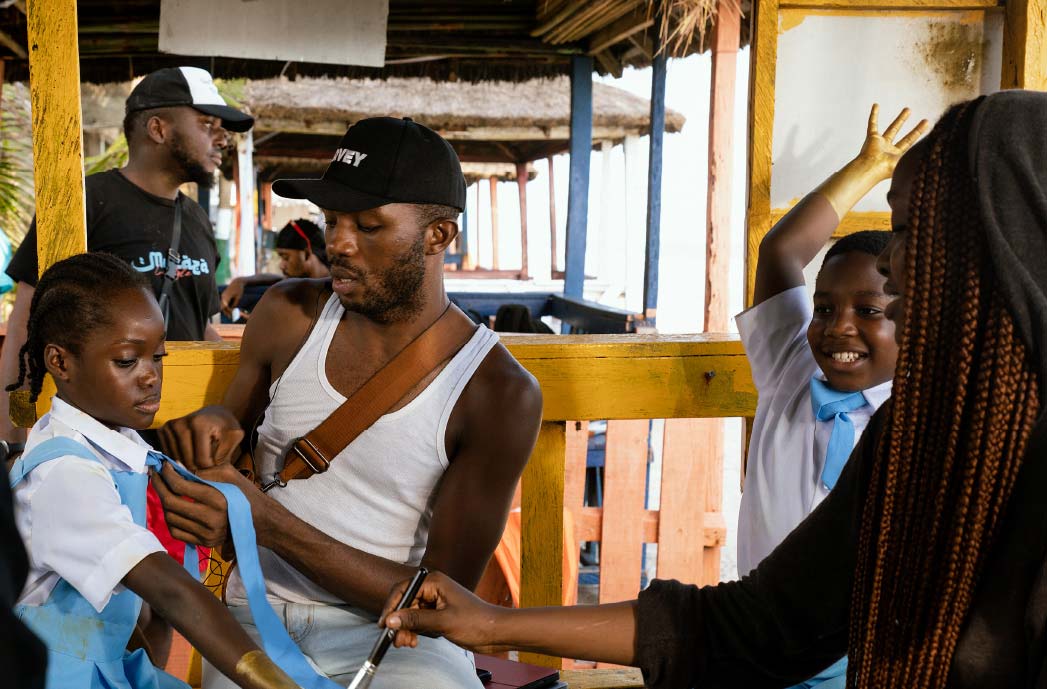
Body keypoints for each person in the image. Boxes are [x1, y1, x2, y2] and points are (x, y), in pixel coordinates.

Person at [377, 90, 1047, 689]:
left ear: (999, 250)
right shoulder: (911, 440)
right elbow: (752, 626)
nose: (890, 267)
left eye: (909, 230)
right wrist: (493, 623)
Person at [151, 117, 543, 689]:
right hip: (255, 617)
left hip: (400, 641)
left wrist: (268, 523)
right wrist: (216, 431)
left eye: (369, 225)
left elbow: (438, 600)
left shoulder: (494, 391)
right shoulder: (288, 316)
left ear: (439, 236)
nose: (338, 242)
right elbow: (232, 434)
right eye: (331, 220)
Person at [8, 253, 304, 689]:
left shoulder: (115, 445)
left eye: (158, 358)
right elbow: (169, 590)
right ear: (61, 363)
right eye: (128, 361)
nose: (151, 377)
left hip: (98, 662)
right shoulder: (66, 473)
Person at [736, 105, 926, 689]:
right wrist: (868, 169)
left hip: (868, 665)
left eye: (868, 311)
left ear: (912, 319)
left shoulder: (920, 414)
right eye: (823, 309)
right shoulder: (788, 370)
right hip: (760, 648)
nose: (837, 327)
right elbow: (781, 251)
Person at [0, 65, 254, 443]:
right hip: (96, 444)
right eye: (206, 124)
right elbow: (26, 323)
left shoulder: (198, 220)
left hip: (178, 444)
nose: (221, 140)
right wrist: (11, 436)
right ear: (158, 129)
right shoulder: (84, 204)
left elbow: (197, 324)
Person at [220, 219, 329, 320]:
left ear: (306, 253)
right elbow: (279, 279)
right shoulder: (303, 282)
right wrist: (241, 281)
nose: (281, 265)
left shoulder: (331, 292)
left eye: (286, 257)